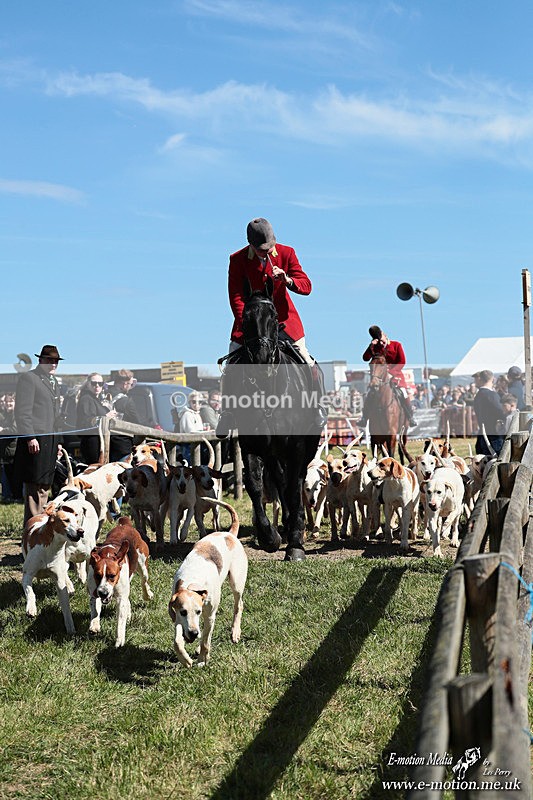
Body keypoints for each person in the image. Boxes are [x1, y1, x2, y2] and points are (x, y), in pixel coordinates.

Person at [218, 216, 324, 437]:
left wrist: (288, 281)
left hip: (285, 323)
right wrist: (247, 324)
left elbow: (307, 286)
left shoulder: (287, 253)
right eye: (261, 250)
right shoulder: (237, 260)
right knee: (231, 365)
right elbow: (236, 296)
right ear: (251, 245)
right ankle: (227, 413)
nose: (267, 252)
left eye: (270, 247)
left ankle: (317, 408)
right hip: (251, 325)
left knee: (308, 361)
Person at [13, 344, 63, 524]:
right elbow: (22, 412)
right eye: (49, 360)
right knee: (34, 487)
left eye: (56, 361)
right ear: (40, 360)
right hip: (36, 440)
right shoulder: (29, 378)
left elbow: (56, 415)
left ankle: (41, 527)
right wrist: (30, 437)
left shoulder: (54, 382)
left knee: (45, 486)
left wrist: (59, 441)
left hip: (50, 441)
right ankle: (32, 532)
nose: (53, 364)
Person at [360, 325, 415, 426]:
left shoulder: (396, 345)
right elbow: (365, 358)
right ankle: (364, 418)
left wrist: (391, 373)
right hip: (379, 379)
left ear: (384, 335)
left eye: (382, 340)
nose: (381, 343)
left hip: (396, 376)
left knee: (403, 393)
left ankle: (410, 417)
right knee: (369, 394)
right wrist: (370, 346)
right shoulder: (375, 347)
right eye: (379, 341)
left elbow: (402, 361)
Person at [76, 373, 117, 464]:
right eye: (94, 383)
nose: (97, 386)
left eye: (100, 383)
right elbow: (86, 421)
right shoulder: (87, 399)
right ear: (88, 384)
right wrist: (106, 416)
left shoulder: (94, 399)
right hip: (92, 442)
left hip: (98, 441)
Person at [109, 369, 142, 462]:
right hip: (122, 446)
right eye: (131, 384)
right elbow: (138, 424)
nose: (131, 387)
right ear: (125, 384)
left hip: (104, 444)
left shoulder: (104, 395)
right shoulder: (127, 402)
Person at [472, 370, 505, 455]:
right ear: (493, 379)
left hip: (483, 434)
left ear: (481, 379)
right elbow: (501, 412)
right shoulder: (491, 395)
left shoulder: (478, 395)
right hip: (494, 435)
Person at [0, 393, 18, 502]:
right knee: (7, 474)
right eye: (7, 402)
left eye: (10, 402)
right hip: (6, 450)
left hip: (13, 449)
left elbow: (15, 430)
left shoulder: (15, 415)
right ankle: (8, 495)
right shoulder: (5, 415)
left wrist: (2, 430)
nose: (8, 404)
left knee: (13, 475)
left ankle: (15, 496)